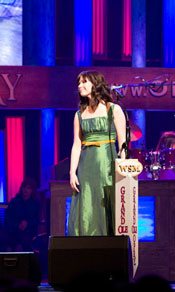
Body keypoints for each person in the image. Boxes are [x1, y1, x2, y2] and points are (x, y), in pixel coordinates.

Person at [68, 71, 126, 236]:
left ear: (95, 84)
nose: (80, 86)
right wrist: (72, 172)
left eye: (84, 82)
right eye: (78, 83)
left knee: (106, 203)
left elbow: (123, 143)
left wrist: (123, 169)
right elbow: (76, 145)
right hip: (86, 166)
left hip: (107, 164)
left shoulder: (113, 109)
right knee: (87, 203)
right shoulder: (79, 114)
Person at [3, 178, 40, 252]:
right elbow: (8, 218)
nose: (25, 190)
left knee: (26, 237)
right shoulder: (14, 202)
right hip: (14, 229)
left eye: (28, 188)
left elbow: (36, 219)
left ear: (32, 190)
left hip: (29, 230)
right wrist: (18, 225)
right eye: (24, 187)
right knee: (4, 235)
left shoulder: (35, 203)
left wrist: (27, 224)